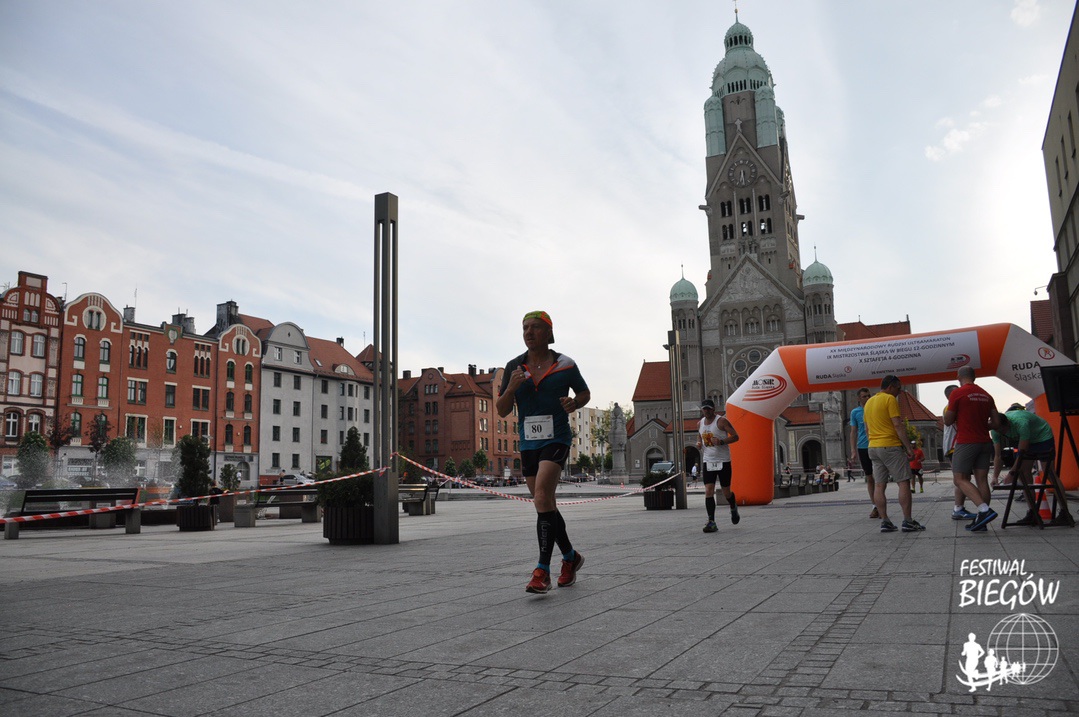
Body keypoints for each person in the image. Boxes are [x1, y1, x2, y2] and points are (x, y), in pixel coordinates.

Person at [497, 311, 590, 594]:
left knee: (541, 497)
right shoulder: (514, 366)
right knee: (544, 503)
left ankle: (542, 571)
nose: (528, 332)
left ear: (549, 333)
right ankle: (570, 557)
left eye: (535, 327)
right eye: (525, 327)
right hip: (528, 443)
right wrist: (511, 388)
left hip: (557, 438)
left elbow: (584, 393)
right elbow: (502, 410)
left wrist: (574, 403)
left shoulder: (565, 364)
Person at [991, 407, 1074, 526]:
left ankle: (1065, 512)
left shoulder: (1021, 423)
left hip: (1042, 437)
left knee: (1049, 473)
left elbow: (1022, 452)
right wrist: (995, 476)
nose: (1003, 433)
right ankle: (1033, 512)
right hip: (1024, 438)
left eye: (1003, 430)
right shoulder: (995, 429)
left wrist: (1011, 473)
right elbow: (998, 455)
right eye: (999, 431)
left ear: (1008, 424)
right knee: (1023, 474)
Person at [864, 375, 924, 533]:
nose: (899, 392)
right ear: (890, 386)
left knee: (879, 485)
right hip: (890, 445)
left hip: (873, 447)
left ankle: (885, 521)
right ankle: (908, 521)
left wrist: (873, 441)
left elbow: (867, 428)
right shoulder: (890, 399)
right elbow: (897, 424)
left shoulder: (869, 402)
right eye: (898, 388)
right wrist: (908, 448)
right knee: (903, 482)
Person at [945, 367, 1001, 532]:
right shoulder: (986, 395)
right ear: (975, 377)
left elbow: (948, 420)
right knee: (982, 480)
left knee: (959, 479)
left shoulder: (957, 393)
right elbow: (996, 423)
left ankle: (984, 510)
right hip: (985, 441)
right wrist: (981, 424)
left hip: (967, 442)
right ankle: (981, 521)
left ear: (958, 377)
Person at [696, 398, 740, 532]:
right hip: (708, 461)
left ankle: (733, 505)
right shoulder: (700, 423)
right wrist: (699, 443)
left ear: (713, 409)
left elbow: (736, 436)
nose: (707, 411)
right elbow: (700, 435)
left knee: (726, 492)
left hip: (723, 460)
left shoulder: (721, 421)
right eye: (704, 409)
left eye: (709, 409)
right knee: (709, 490)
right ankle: (711, 522)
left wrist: (721, 441)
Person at [944, 384, 977, 521]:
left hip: (958, 446)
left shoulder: (954, 407)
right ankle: (958, 509)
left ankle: (959, 508)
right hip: (956, 446)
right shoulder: (951, 408)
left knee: (963, 478)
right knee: (961, 479)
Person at [849, 387, 879, 518]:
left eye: (868, 396)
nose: (867, 398)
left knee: (879, 477)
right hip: (863, 447)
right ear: (858, 398)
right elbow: (853, 432)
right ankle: (874, 506)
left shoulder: (875, 408)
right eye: (864, 396)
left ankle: (880, 504)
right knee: (870, 477)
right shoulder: (855, 412)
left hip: (877, 444)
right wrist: (853, 450)